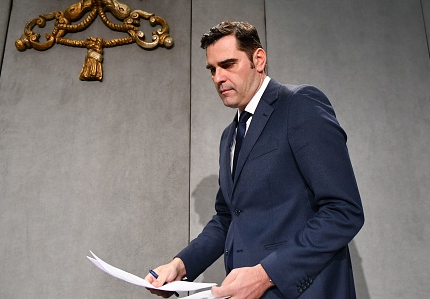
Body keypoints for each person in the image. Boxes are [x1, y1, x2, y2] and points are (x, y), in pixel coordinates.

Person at [146, 21, 364, 298]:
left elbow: (343, 211)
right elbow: (229, 217)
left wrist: (265, 275)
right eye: (212, 70)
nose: (218, 77)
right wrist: (180, 265)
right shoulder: (229, 136)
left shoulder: (300, 105)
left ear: (258, 59)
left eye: (228, 64)